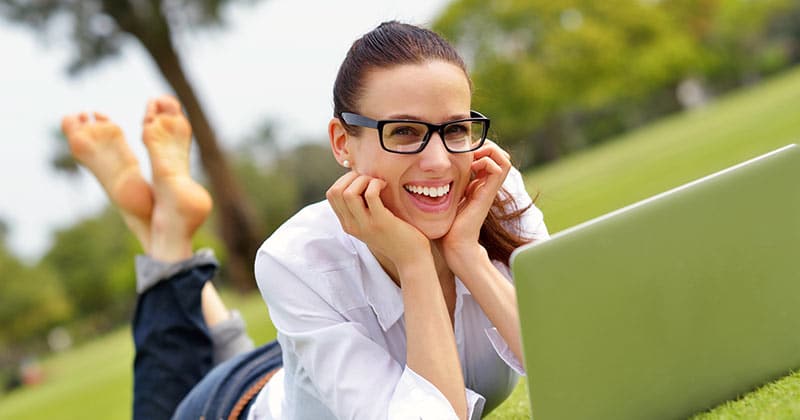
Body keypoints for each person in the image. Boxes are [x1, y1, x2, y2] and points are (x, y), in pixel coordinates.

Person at [63, 21, 548, 420]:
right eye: (404, 132)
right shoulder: (296, 256)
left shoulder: (494, 194)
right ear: (342, 144)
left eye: (456, 129)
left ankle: (159, 230)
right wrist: (416, 263)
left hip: (310, 359)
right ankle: (165, 238)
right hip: (235, 407)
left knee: (257, 352)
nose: (441, 162)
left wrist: (468, 255)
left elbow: (574, 364)